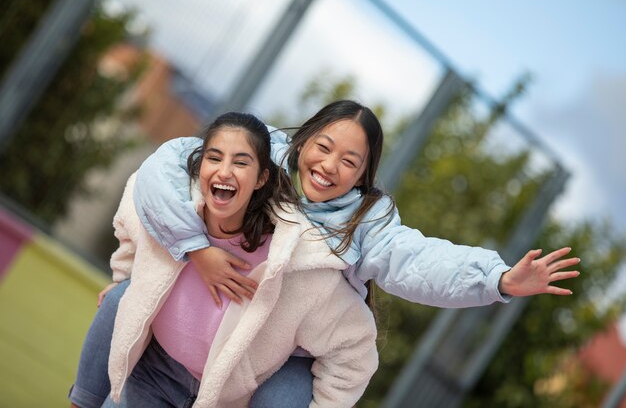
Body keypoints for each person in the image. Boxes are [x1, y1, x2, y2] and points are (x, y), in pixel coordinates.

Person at [70, 100, 580, 408]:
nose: (329, 165)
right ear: (301, 140)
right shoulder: (258, 159)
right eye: (323, 147)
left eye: (349, 161)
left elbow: (418, 261)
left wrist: (496, 279)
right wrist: (195, 248)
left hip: (282, 349)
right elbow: (163, 170)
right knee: (121, 303)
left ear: (363, 176)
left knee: (287, 397)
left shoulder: (366, 222)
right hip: (197, 328)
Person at [70, 112, 378, 408]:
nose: (224, 171)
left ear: (261, 178)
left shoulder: (301, 257)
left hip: (227, 398)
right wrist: (127, 276)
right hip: (152, 376)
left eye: (241, 163)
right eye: (214, 158)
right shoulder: (175, 210)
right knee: (119, 300)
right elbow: (134, 214)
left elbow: (355, 348)